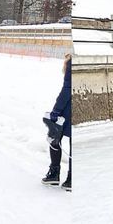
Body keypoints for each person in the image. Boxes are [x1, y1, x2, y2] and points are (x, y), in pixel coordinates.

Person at [41, 55, 73, 190]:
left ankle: (54, 174)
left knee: (55, 138)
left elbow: (67, 89)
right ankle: (71, 179)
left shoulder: (72, 62)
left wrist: (55, 111)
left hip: (67, 109)